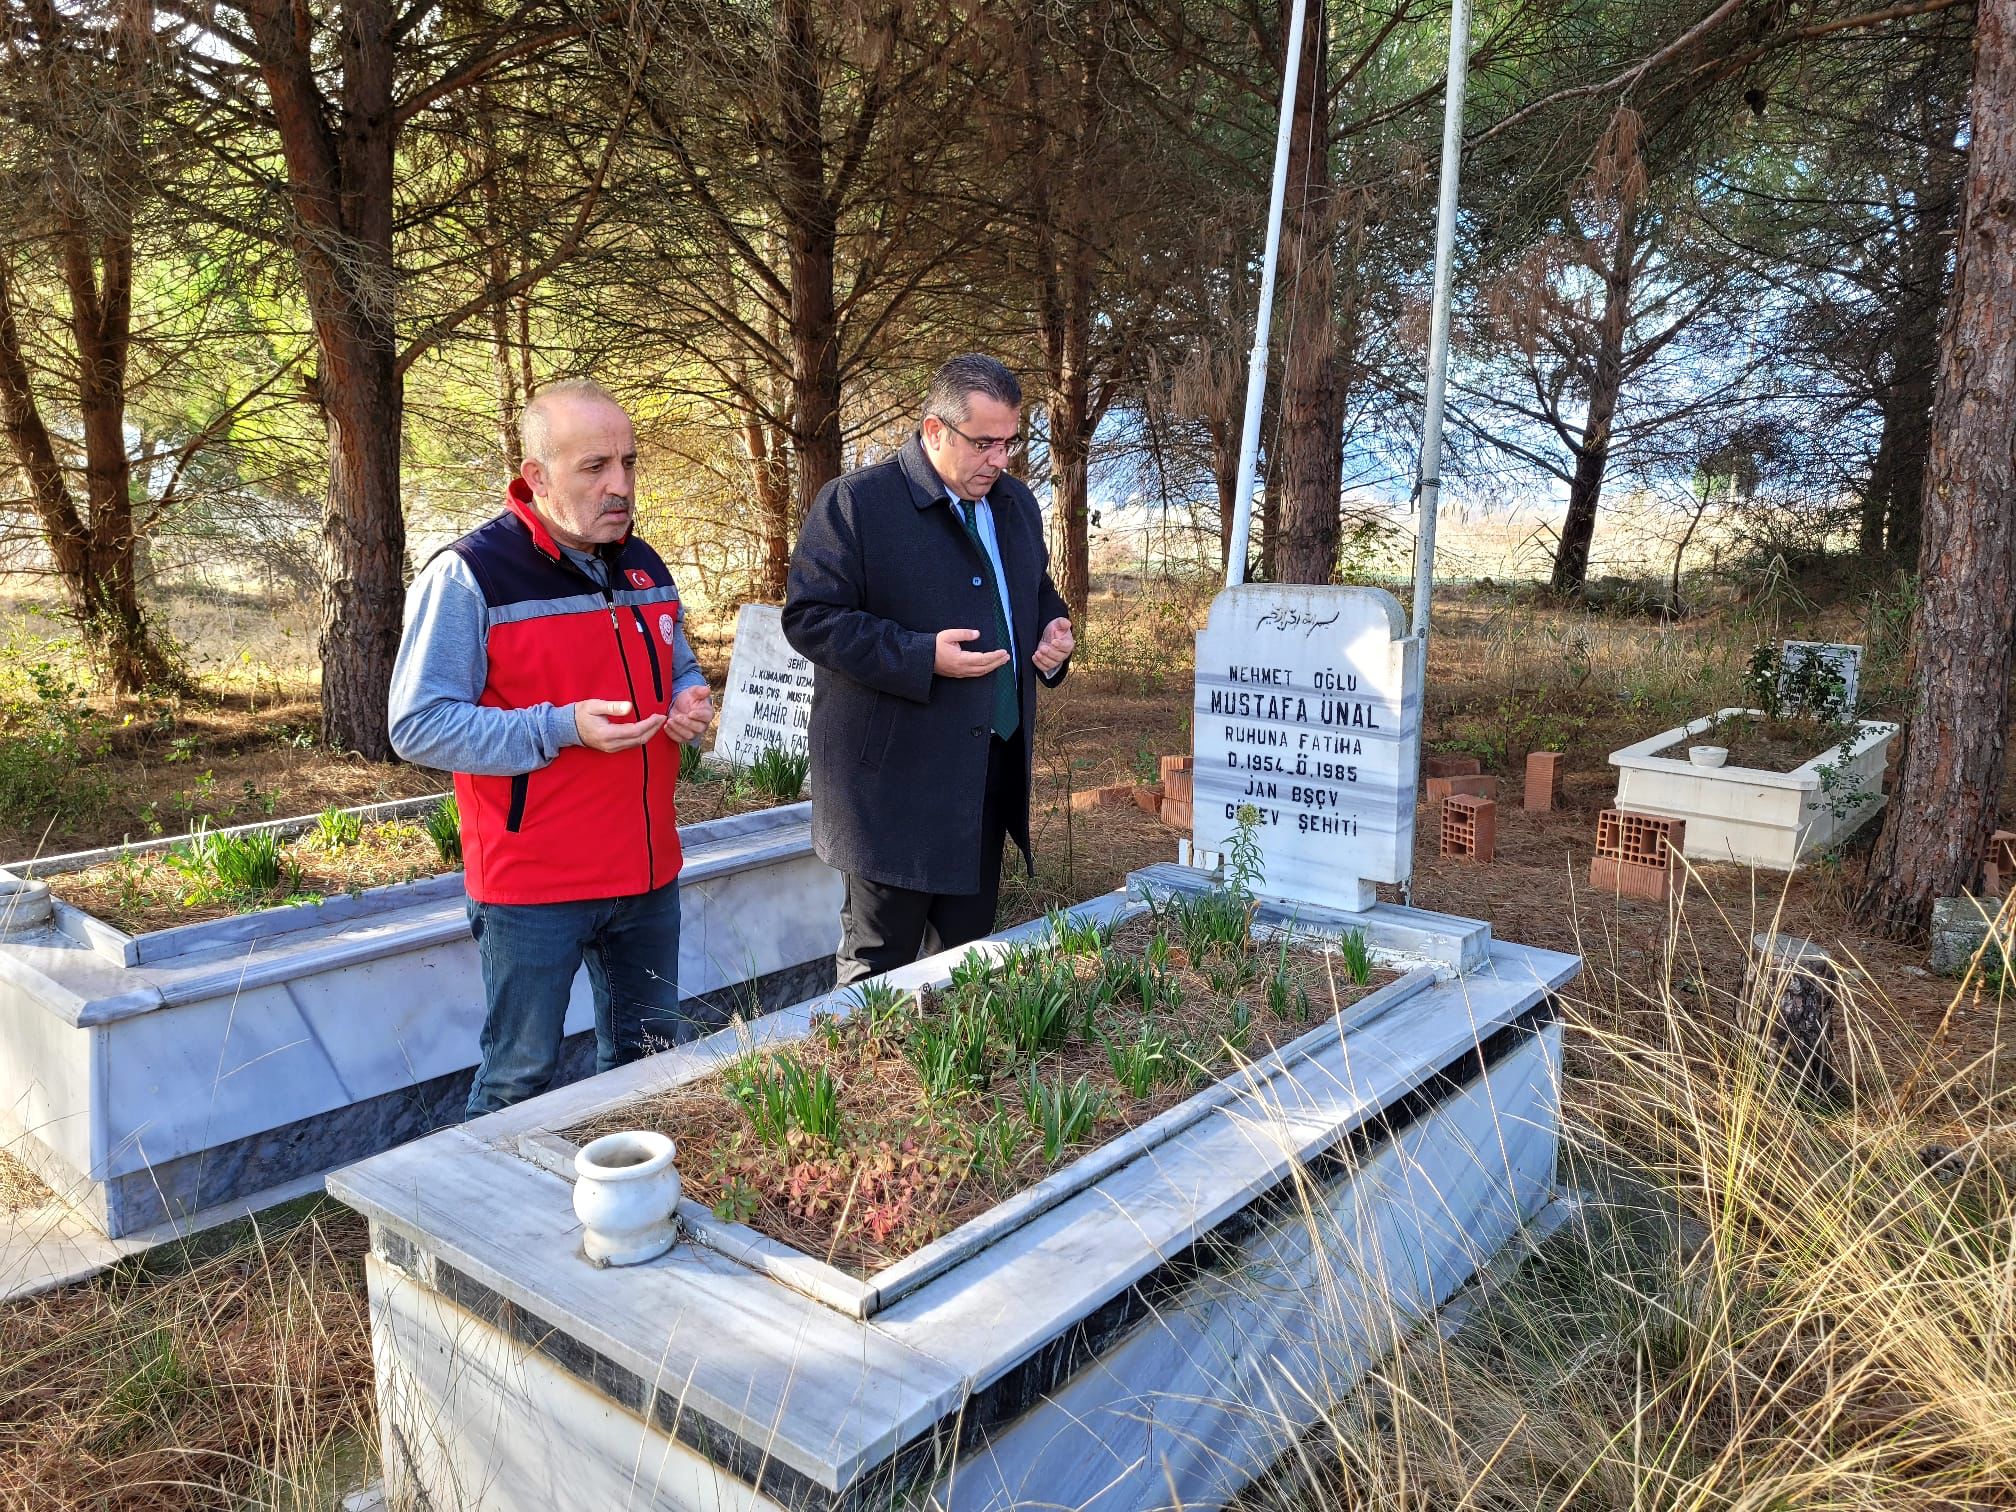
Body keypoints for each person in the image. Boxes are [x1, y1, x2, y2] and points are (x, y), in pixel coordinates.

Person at [389, 379, 716, 1116]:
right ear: (536, 477)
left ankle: (623, 1204)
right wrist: (560, 727)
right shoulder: (470, 575)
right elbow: (417, 724)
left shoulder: (644, 565)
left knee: (648, 1063)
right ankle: (481, 1223)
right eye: (594, 467)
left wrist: (689, 699)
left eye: (629, 464)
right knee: (519, 1077)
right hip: (534, 886)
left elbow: (679, 664)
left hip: (647, 870)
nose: (620, 485)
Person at [783, 354, 1074, 984]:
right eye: (984, 443)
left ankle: (948, 1080)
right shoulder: (857, 504)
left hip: (987, 772)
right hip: (894, 788)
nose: (1000, 459)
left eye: (1010, 442)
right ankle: (860, 1078)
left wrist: (1053, 632)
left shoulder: (1016, 504)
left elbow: (1034, 592)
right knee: (878, 970)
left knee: (966, 967)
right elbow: (810, 617)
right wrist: (921, 656)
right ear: (934, 430)